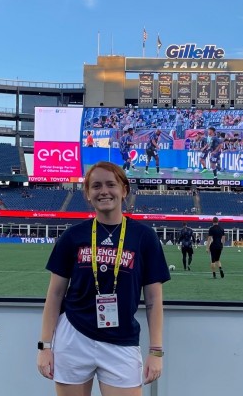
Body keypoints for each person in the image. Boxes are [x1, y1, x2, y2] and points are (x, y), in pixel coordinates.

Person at [37, 161, 169, 395]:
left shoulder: (144, 237)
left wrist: (156, 352)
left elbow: (153, 300)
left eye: (111, 184)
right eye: (96, 186)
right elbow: (55, 294)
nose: (104, 191)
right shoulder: (73, 236)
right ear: (88, 194)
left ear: (124, 190)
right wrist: (44, 346)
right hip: (73, 337)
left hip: (122, 340)